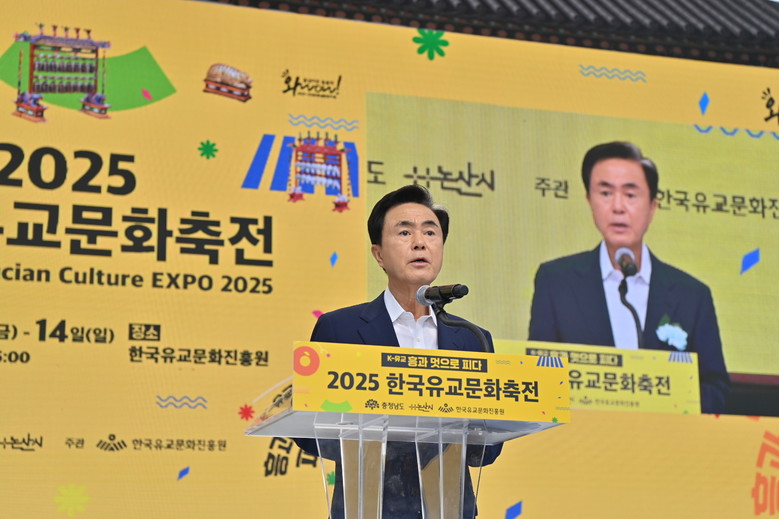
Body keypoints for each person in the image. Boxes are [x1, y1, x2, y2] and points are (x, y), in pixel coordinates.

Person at [295, 184, 502, 518]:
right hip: (369, 507)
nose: (420, 242)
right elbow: (310, 435)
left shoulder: (471, 339)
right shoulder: (340, 330)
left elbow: (486, 452)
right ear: (378, 254)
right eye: (405, 232)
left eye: (430, 232)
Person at [528, 141, 730, 413]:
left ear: (652, 206)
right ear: (589, 200)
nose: (618, 207)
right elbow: (540, 376)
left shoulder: (692, 294)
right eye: (605, 193)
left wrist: (668, 403)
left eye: (631, 194)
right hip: (583, 436)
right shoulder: (556, 282)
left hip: (667, 435)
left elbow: (715, 387)